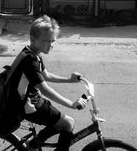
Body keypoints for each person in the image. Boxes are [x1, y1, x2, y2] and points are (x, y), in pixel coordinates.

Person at [16, 15, 87, 151]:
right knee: (68, 123)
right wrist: (72, 104)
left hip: (33, 99)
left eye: (53, 41)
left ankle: (31, 145)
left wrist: (69, 80)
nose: (50, 45)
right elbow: (44, 89)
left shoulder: (33, 52)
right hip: (28, 105)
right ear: (33, 39)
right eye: (46, 41)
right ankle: (32, 145)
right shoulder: (30, 61)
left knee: (60, 122)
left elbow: (46, 75)